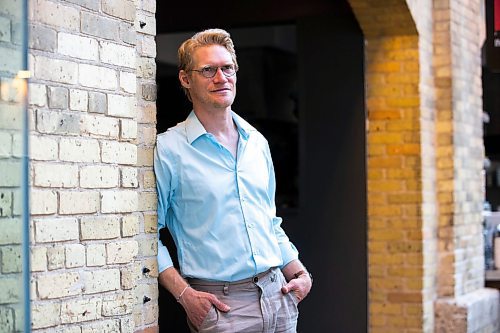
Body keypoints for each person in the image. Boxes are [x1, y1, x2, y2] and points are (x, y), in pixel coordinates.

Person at [154, 28, 312, 333]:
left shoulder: (257, 143)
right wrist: (185, 295)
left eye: (227, 68)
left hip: (278, 296)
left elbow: (268, 220)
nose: (220, 77)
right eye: (208, 70)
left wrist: (298, 270)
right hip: (222, 308)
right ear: (186, 79)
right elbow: (148, 238)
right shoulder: (170, 149)